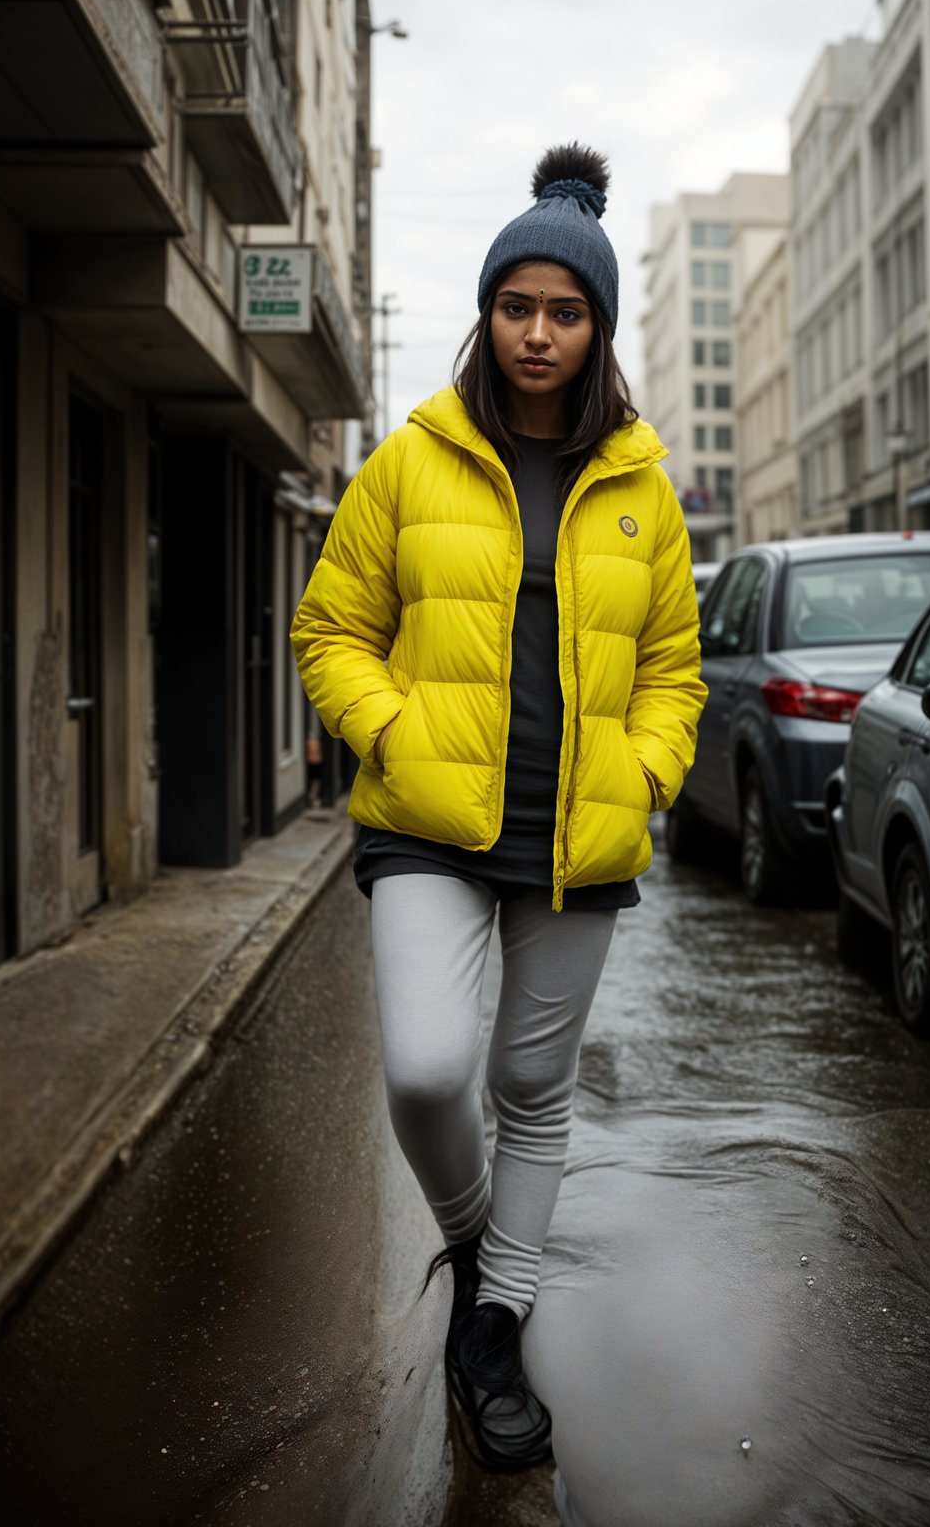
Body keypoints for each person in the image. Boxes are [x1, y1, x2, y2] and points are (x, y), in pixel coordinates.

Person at [290, 142, 707, 1471]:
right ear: (489, 314)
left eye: (564, 311)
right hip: (426, 821)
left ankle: (495, 1326)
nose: (537, 333)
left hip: (575, 837)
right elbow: (331, 629)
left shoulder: (644, 485)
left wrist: (646, 775)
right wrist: (392, 730)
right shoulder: (413, 461)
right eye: (516, 307)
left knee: (531, 1081)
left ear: (597, 328)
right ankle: (481, 1244)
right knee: (425, 1069)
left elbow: (673, 672)